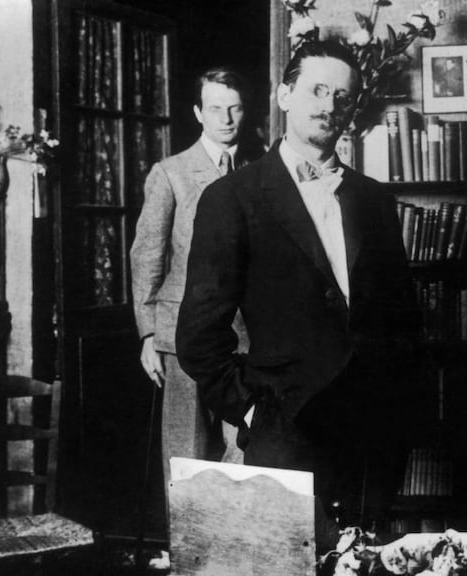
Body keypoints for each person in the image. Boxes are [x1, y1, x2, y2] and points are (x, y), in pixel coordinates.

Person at [175, 41, 420, 545]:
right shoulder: (231, 198)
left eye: (343, 97)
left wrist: (397, 403)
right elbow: (198, 337)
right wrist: (253, 412)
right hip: (286, 428)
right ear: (284, 95)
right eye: (317, 90)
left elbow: (402, 318)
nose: (330, 105)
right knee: (290, 564)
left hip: (372, 430)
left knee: (366, 561)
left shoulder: (374, 199)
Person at [130, 67, 264, 478]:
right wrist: (149, 334)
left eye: (234, 108)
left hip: (246, 338)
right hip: (180, 336)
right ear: (198, 112)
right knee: (185, 457)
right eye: (215, 108)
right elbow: (147, 256)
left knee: (245, 449)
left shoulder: (261, 171)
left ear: (245, 111)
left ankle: (230, 525)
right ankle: (184, 526)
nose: (226, 118)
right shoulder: (171, 172)